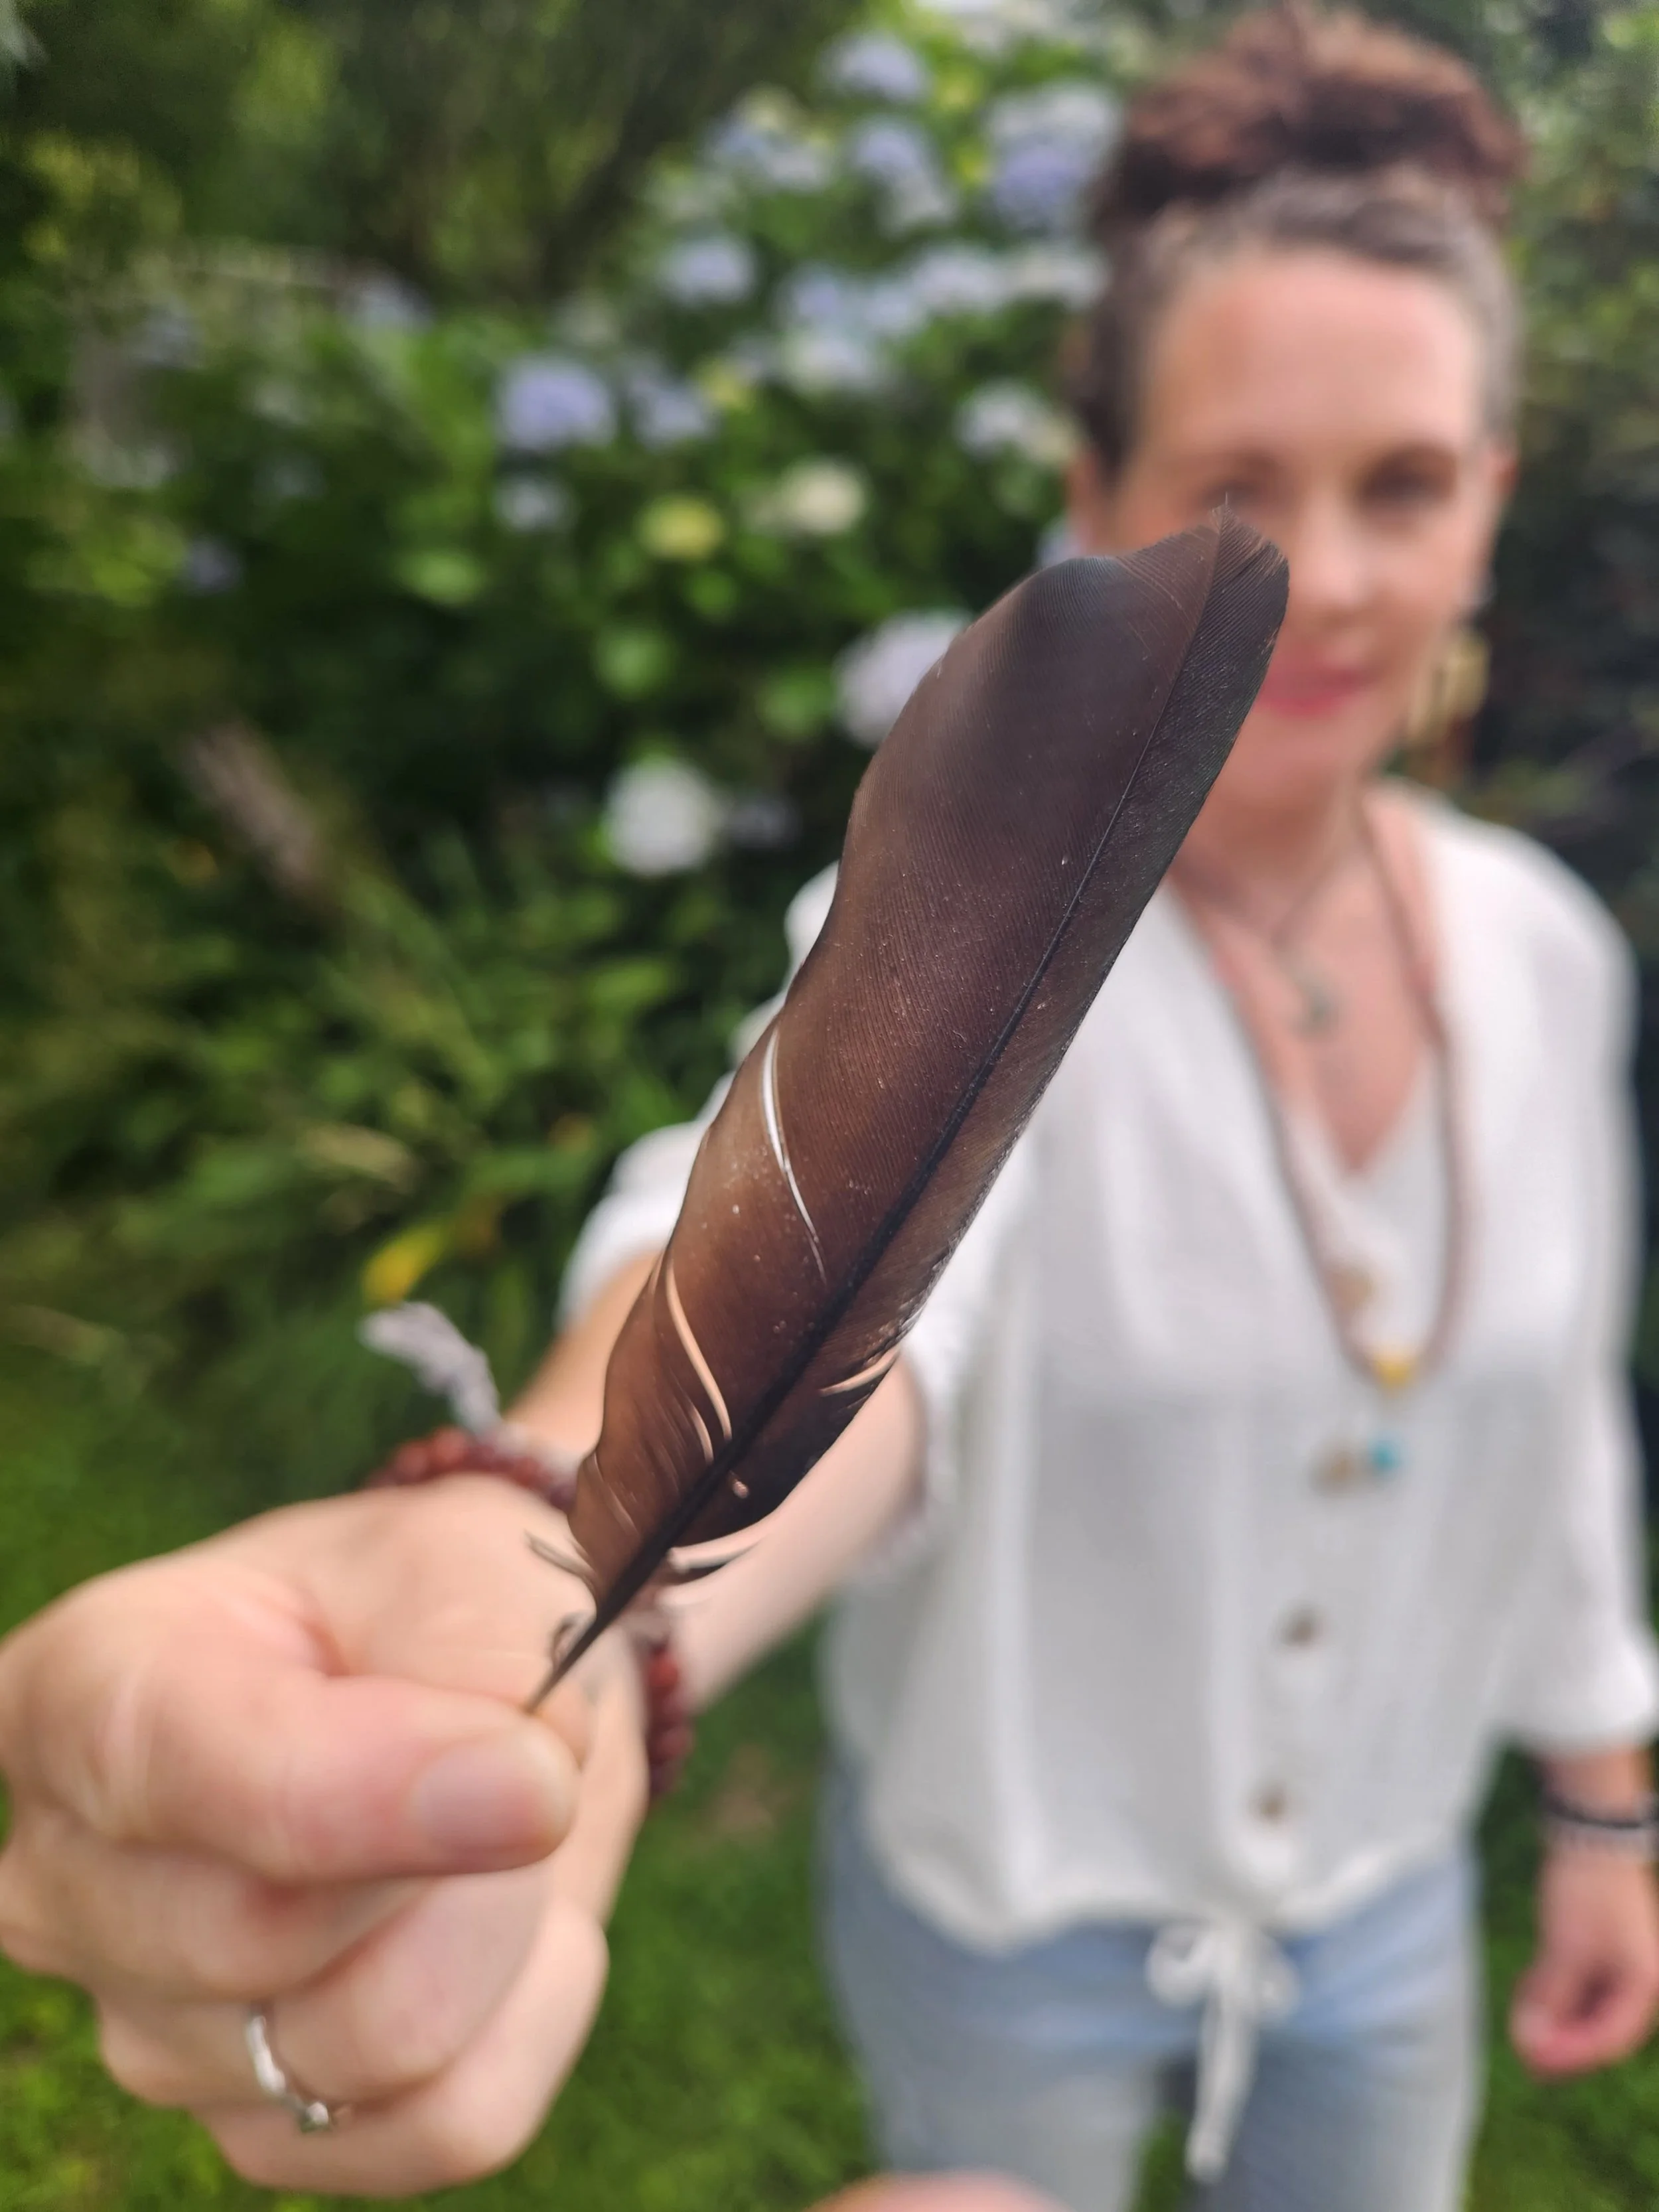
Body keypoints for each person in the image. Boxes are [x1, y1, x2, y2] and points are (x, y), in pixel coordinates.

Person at [0, 10, 1656, 2209]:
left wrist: (1601, 1801)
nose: (1336, 578)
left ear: (1490, 503)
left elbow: (1552, 1441)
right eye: (1246, 491)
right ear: (1094, 504)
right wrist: (541, 1551)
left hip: (1376, 1923)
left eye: (1407, 486)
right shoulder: (983, 955)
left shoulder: (1546, 952)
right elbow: (837, 1296)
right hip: (1007, 1932)